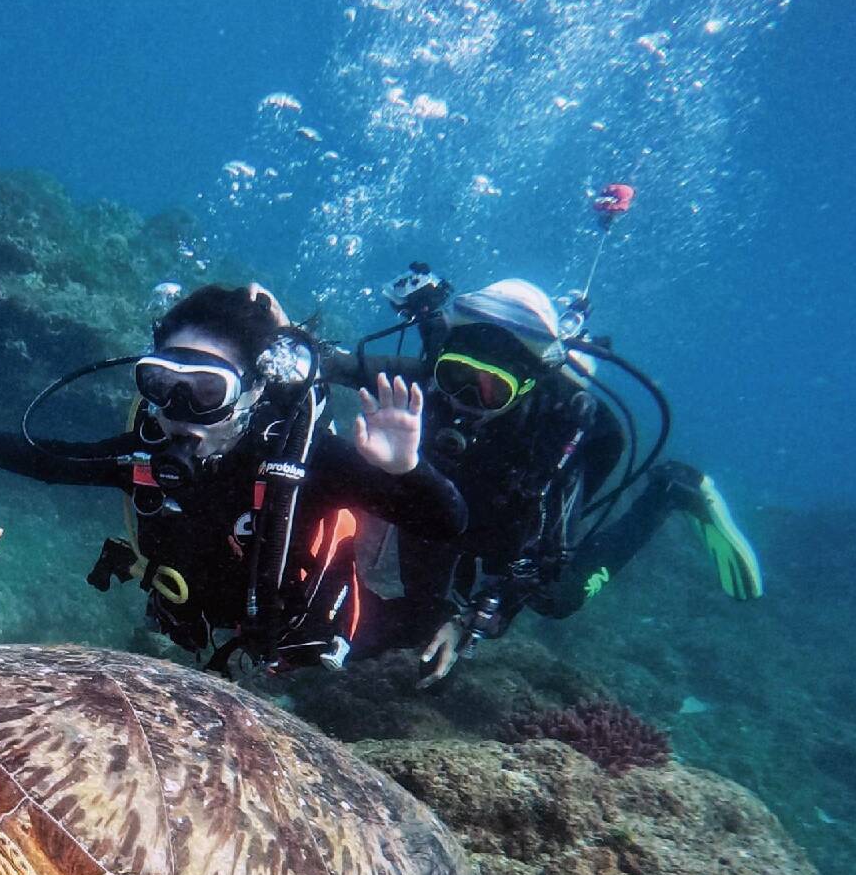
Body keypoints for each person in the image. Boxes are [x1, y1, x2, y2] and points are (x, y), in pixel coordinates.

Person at [0, 283, 467, 674]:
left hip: (304, 633)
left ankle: (453, 622)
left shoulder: (307, 459)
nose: (176, 410)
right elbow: (55, 462)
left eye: (205, 392)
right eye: (160, 383)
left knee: (391, 631)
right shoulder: (147, 456)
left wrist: (406, 470)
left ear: (252, 390)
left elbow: (445, 524)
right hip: (197, 625)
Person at [326, 276, 763, 687]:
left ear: (528, 384)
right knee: (424, 569)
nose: (467, 402)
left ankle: (668, 493)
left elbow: (539, 561)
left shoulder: (557, 427)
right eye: (454, 377)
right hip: (457, 493)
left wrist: (468, 623)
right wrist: (284, 342)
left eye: (491, 390)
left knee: (556, 597)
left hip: (521, 495)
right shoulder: (433, 370)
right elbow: (342, 366)